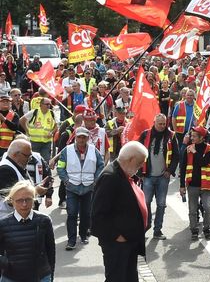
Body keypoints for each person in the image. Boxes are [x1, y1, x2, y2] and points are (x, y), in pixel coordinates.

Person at [91, 141, 149, 282]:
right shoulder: (110, 177)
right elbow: (98, 215)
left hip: (127, 242)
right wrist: (117, 236)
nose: (141, 166)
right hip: (117, 244)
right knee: (117, 278)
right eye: (140, 162)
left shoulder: (122, 173)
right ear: (131, 159)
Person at [57, 127, 105, 250]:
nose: (81, 139)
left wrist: (95, 180)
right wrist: (66, 181)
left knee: (86, 214)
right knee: (72, 214)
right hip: (72, 187)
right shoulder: (67, 151)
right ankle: (71, 240)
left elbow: (101, 165)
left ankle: (83, 235)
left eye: (84, 137)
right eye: (79, 137)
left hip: (88, 187)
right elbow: (60, 167)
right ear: (75, 137)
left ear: (88, 138)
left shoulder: (94, 151)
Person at [0, 180, 55, 282]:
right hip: (11, 278)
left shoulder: (44, 221)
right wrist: (6, 264)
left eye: (28, 199)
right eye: (19, 200)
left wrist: (51, 275)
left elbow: (50, 252)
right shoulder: (3, 224)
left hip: (41, 277)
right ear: (12, 201)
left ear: (34, 199)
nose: (24, 204)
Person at [138, 113, 179, 240]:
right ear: (154, 122)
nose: (162, 126)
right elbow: (138, 153)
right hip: (148, 176)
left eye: (163, 124)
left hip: (163, 177)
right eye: (159, 123)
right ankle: (146, 226)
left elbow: (176, 156)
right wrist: (140, 173)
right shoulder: (145, 134)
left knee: (161, 204)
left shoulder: (171, 136)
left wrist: (170, 170)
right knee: (146, 202)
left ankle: (157, 231)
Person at [179, 125, 210, 241]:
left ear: (201, 138)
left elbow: (204, 163)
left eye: (194, 136)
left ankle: (206, 229)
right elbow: (183, 167)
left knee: (207, 207)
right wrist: (181, 186)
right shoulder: (188, 149)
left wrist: (195, 152)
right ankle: (194, 230)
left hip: (205, 184)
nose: (192, 138)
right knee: (192, 209)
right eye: (191, 135)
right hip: (192, 185)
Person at [0, 139, 48, 218]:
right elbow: (10, 199)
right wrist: (35, 191)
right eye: (27, 156)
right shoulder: (5, 170)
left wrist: (38, 185)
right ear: (15, 154)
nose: (29, 159)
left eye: (30, 156)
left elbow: (21, 185)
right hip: (6, 220)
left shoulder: (17, 166)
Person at [19, 97, 57, 162]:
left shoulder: (52, 113)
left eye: (49, 104)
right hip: (34, 141)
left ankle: (44, 172)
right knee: (33, 160)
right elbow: (21, 120)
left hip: (46, 142)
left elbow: (56, 125)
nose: (48, 106)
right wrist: (27, 130)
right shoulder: (34, 112)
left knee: (45, 161)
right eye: (47, 104)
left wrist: (52, 133)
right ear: (41, 104)